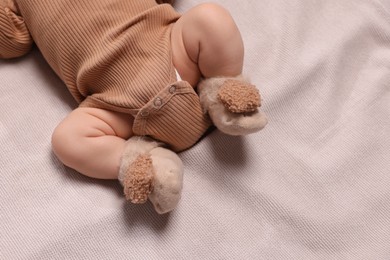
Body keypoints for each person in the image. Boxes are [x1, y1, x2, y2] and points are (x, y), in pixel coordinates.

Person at [0, 0, 267, 213]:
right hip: (114, 103)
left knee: (211, 18)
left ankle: (224, 91)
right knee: (65, 140)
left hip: (172, 52)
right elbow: (11, 42)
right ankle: (142, 164)